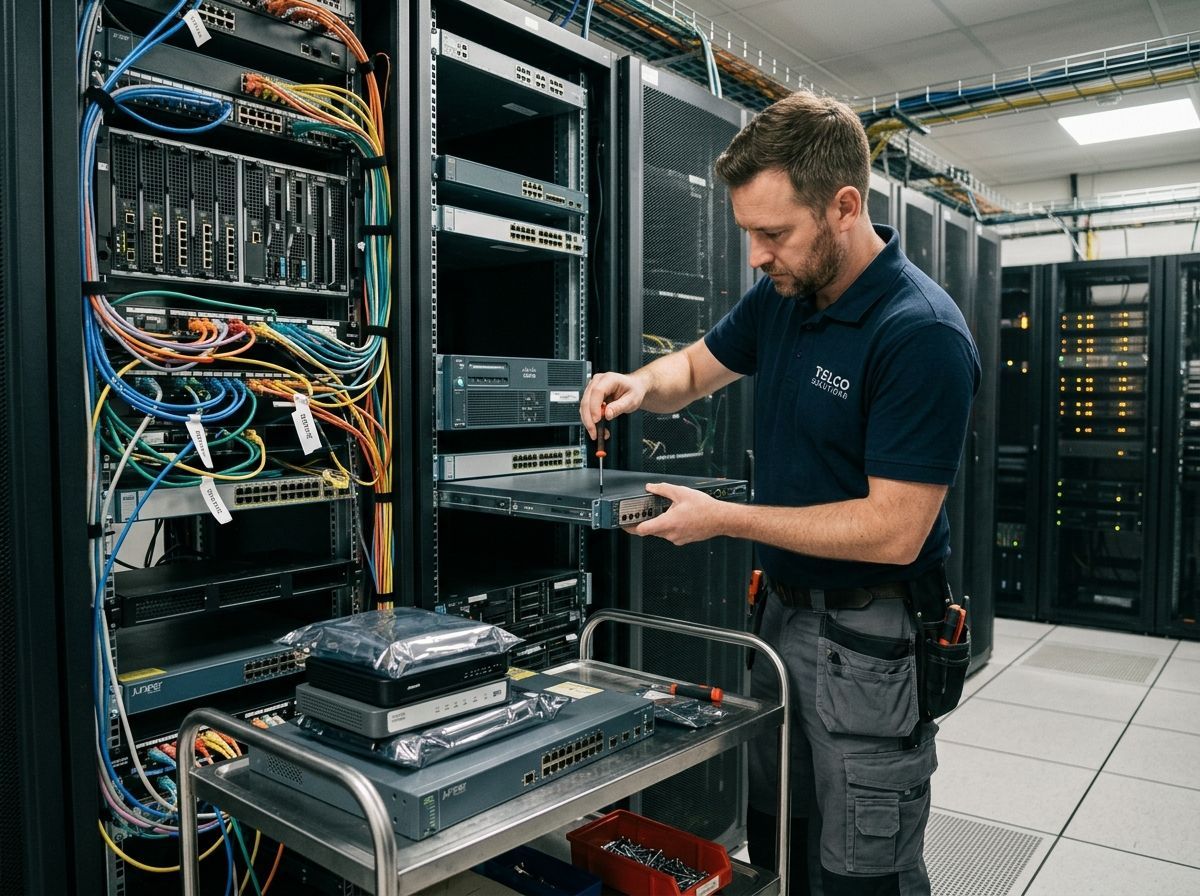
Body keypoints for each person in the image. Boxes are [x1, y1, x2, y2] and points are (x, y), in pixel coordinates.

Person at [579, 90, 980, 896]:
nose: (757, 256)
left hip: (870, 639)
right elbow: (693, 368)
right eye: (748, 234)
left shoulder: (918, 334)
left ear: (844, 206)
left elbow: (895, 529)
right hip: (783, 618)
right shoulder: (786, 298)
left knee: (863, 871)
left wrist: (724, 519)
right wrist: (637, 382)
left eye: (774, 234)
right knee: (780, 842)